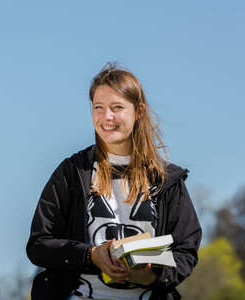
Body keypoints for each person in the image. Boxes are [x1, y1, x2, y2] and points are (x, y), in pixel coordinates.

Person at [26, 63, 202, 300]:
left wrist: (150, 277)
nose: (106, 117)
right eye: (99, 107)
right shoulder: (72, 172)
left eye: (117, 107)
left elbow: (186, 252)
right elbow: (39, 245)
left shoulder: (167, 180)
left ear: (138, 111)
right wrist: (90, 255)